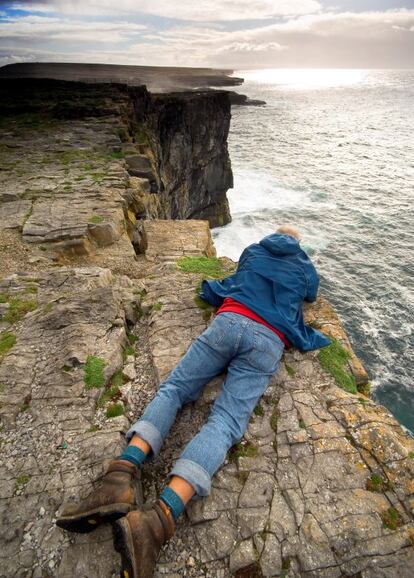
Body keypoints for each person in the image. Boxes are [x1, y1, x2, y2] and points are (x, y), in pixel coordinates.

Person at [56, 225, 330, 577]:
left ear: (272, 236)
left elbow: (240, 274)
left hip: (229, 320)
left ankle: (118, 478)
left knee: (175, 389)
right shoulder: (303, 264)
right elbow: (311, 295)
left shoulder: (254, 249)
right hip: (267, 340)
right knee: (226, 421)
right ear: (296, 243)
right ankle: (159, 519)